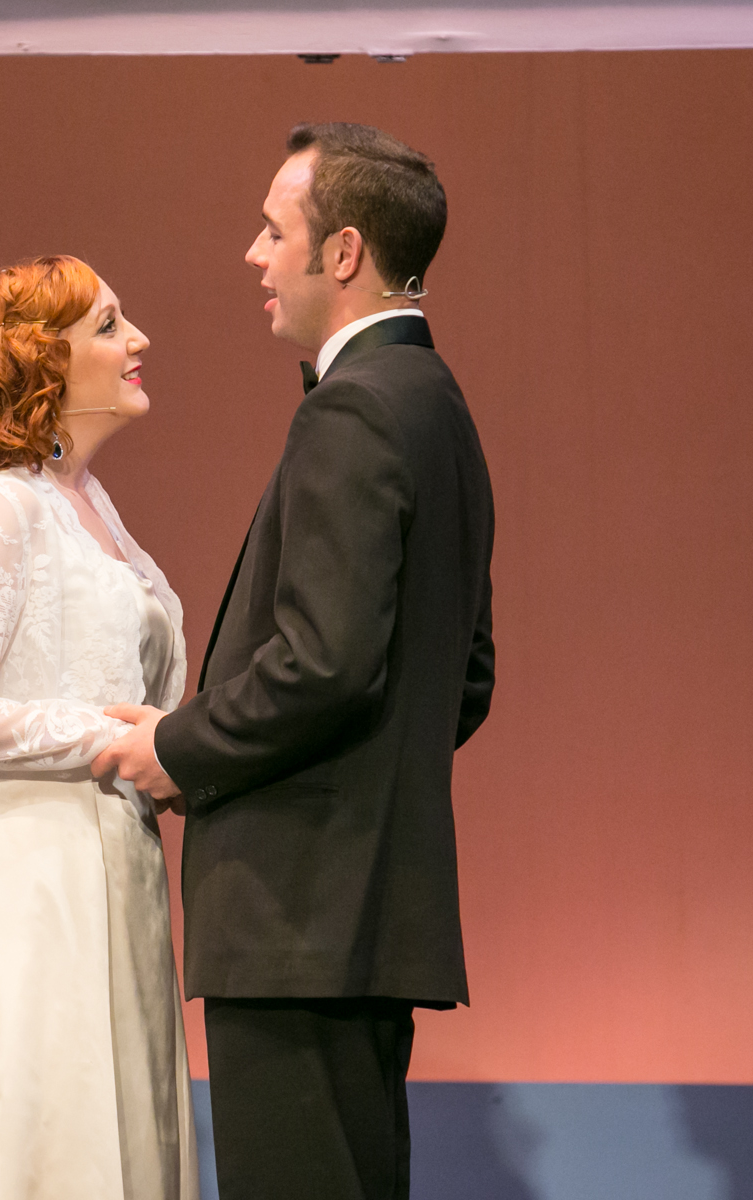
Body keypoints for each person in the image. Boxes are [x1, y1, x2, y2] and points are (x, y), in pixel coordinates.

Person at [93, 123, 496, 1200]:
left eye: (275, 232)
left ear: (344, 252)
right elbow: (462, 678)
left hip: (298, 916)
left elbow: (324, 664)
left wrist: (178, 746)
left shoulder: (354, 407)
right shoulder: (436, 402)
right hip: (361, 918)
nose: (254, 256)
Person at [0, 256, 198, 1200]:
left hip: (113, 860)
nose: (137, 341)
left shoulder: (88, 506)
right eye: (108, 325)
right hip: (26, 873)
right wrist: (104, 736)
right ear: (40, 360)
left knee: (119, 1130)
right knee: (42, 1133)